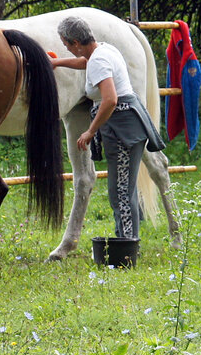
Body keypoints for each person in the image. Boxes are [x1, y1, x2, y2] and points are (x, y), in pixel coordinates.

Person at [50, 16, 165, 241]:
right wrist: (57, 63)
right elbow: (85, 62)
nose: (67, 50)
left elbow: (110, 99)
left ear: (75, 42)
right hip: (126, 122)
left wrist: (90, 131)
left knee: (121, 191)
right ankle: (124, 239)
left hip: (122, 127)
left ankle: (127, 246)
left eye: (66, 46)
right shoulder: (103, 50)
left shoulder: (99, 61)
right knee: (121, 189)